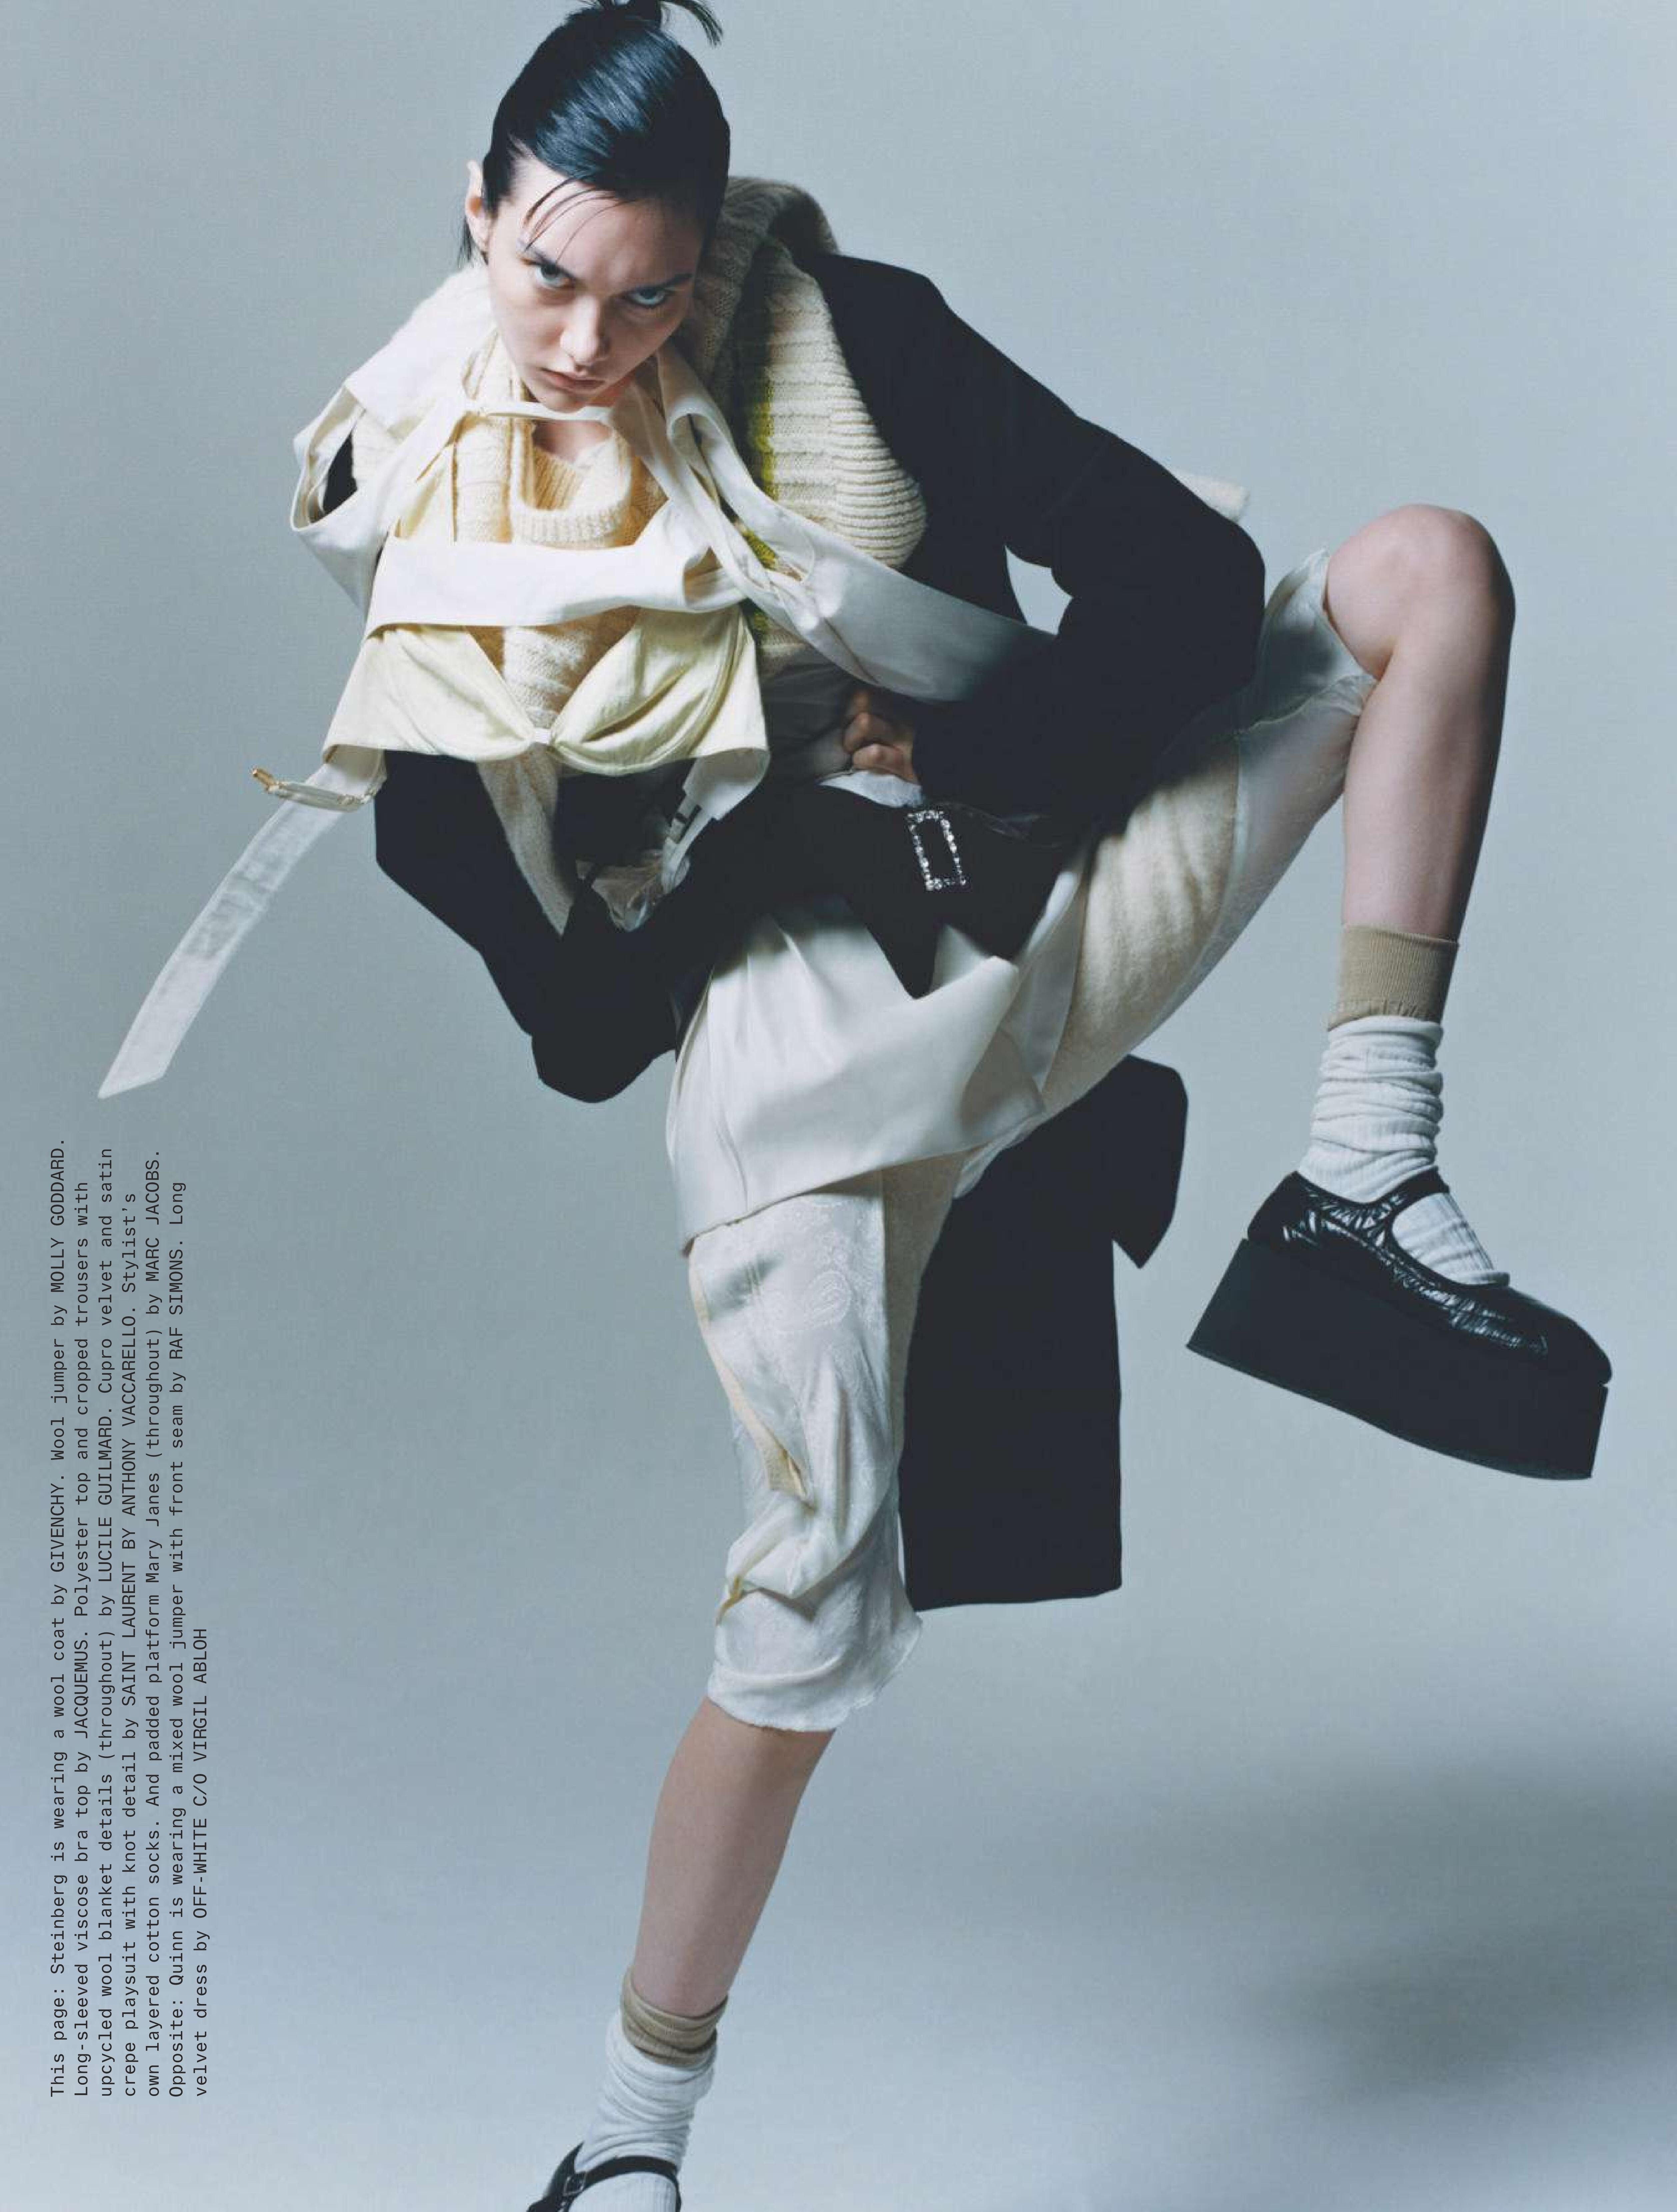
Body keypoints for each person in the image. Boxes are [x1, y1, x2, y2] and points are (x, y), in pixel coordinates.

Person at [97, 3, 1613, 2204]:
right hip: (799, 1073)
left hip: (1039, 907)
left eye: (645, 293)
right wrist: (767, 843)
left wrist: (971, 754)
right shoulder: (438, 539)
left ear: (705, 252)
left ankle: (1365, 1175)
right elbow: (582, 1027)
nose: (589, 342)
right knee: (801, 1622)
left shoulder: (854, 340)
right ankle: (626, 2151)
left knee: (1424, 573)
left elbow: (1186, 586)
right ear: (476, 210)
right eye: (546, 273)